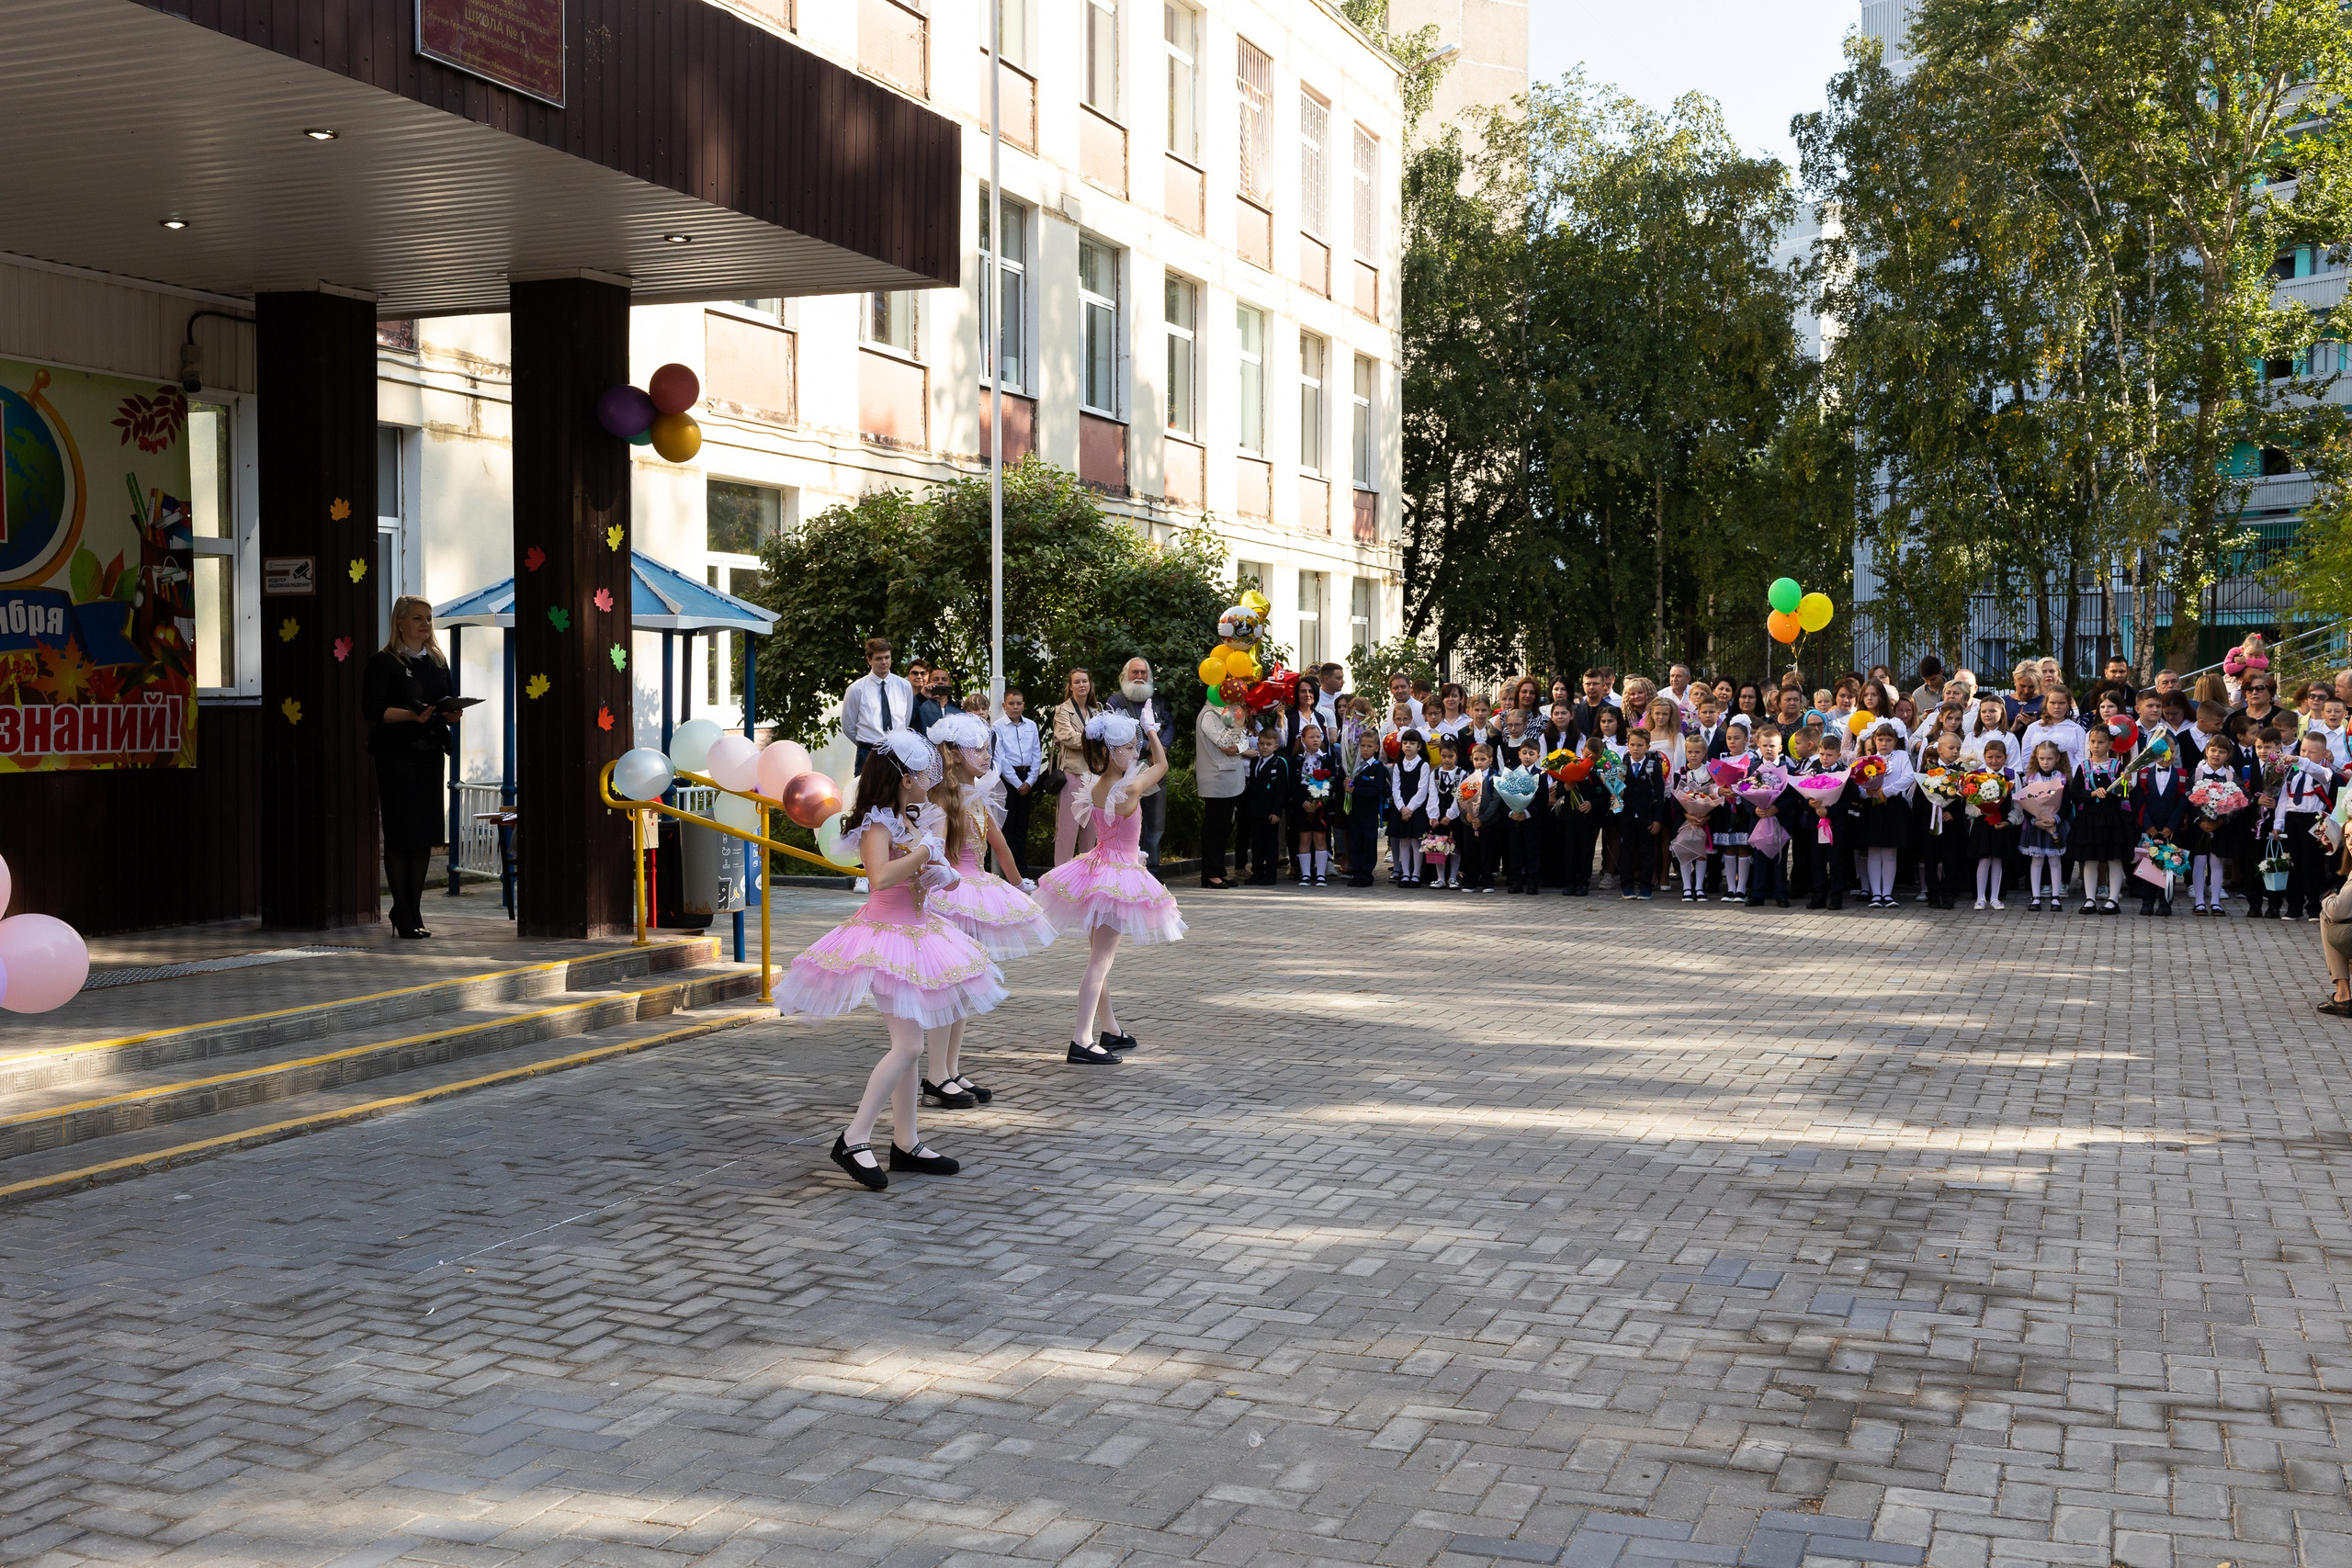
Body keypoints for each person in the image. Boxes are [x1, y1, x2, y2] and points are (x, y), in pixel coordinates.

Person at [776, 731, 1001, 1191]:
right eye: (921, 773)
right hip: (885, 938)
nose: (928, 779)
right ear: (903, 779)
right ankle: (854, 1138)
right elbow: (879, 879)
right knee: (910, 1046)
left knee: (913, 1039)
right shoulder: (879, 823)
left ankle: (906, 1142)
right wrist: (926, 852)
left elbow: (922, 874)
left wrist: (941, 875)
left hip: (918, 934)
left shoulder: (910, 818)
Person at [918, 714, 1057, 1109]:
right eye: (976, 749)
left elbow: (999, 845)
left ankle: (949, 1069)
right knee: (951, 986)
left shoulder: (977, 798)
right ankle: (935, 1076)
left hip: (976, 889)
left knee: (965, 987)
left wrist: (1018, 883)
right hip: (953, 896)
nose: (985, 755)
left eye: (986, 748)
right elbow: (934, 854)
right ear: (955, 755)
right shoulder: (942, 802)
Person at [1035, 711, 1185, 1065]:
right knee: (1100, 961)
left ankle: (1110, 1029)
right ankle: (1081, 1040)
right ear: (1113, 751)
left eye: (1135, 747)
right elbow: (1161, 764)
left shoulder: (1096, 783)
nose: (1135, 754)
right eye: (1129, 748)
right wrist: (1150, 728)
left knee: (1098, 958)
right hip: (1117, 875)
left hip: (1098, 869)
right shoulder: (1128, 788)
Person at [364, 596, 462, 941]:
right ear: (400, 623)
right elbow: (374, 710)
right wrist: (411, 715)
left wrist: (451, 714)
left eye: (429, 619)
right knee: (401, 834)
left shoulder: (436, 661)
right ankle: (402, 909)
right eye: (418, 618)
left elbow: (446, 702)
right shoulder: (384, 662)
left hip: (429, 754)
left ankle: (414, 909)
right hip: (396, 756)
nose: (425, 624)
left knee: (425, 835)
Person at [1105, 658, 1174, 868]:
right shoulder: (1115, 701)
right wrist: (1148, 747)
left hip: (1156, 768)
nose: (1139, 677)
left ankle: (1151, 871)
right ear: (1126, 676)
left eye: (1143, 673)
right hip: (1129, 772)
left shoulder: (1158, 699)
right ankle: (1131, 869)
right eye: (1135, 673)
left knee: (1155, 823)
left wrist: (1161, 747)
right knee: (1131, 822)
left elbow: (1170, 725)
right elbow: (1115, 731)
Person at [1195, 692, 1250, 888]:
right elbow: (1226, 744)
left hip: (1229, 778)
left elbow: (1244, 741)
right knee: (1215, 827)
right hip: (1216, 780)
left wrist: (1239, 747)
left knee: (1225, 826)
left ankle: (1218, 870)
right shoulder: (1209, 714)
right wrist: (1238, 742)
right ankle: (1209, 874)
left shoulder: (1224, 712)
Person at [842, 637, 914, 773]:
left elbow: (905, 719)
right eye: (879, 658)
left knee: (898, 792)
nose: (884, 662)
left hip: (897, 751)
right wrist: (867, 742)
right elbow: (848, 726)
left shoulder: (904, 686)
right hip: (869, 751)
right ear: (869, 660)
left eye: (887, 657)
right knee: (867, 792)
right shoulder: (856, 689)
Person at [991, 689, 1042, 882]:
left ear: (1023, 704)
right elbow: (1001, 757)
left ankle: (1021, 869)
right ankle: (1007, 871)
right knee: (1008, 825)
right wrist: (1017, 782)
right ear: (1004, 705)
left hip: (1027, 776)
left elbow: (1037, 754)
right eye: (1011, 703)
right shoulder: (998, 727)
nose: (1015, 707)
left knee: (1022, 825)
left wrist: (1029, 781)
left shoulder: (1031, 725)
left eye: (1019, 703)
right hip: (1009, 778)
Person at [2015, 739, 2071, 911]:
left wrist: (2055, 819)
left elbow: (2067, 804)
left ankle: (2055, 896)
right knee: (2037, 860)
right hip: (2036, 826)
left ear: (2057, 758)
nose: (2046, 762)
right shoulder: (2031, 779)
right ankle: (2036, 896)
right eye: (2042, 758)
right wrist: (2035, 820)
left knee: (2055, 860)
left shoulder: (2061, 779)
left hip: (2055, 824)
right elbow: (2025, 803)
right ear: (2036, 758)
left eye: (2049, 758)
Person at [1049, 668, 1099, 865]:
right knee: (1067, 830)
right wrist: (1094, 740)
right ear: (1070, 686)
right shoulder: (1062, 710)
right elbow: (1067, 737)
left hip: (1094, 776)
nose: (1081, 685)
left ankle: (1087, 878)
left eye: (1085, 681)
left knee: (1091, 831)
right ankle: (1060, 881)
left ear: (1090, 684)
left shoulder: (1097, 711)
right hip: (1072, 774)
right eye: (1077, 682)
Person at [1970, 737, 2018, 910]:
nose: (1994, 761)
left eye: (1998, 757)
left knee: (1998, 860)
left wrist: (2010, 821)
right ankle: (1980, 898)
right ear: (1984, 756)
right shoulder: (1977, 775)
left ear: (2005, 757)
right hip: (1983, 824)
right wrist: (1981, 811)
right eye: (1990, 757)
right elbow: (1969, 803)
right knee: (1984, 860)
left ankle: (1995, 897)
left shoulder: (2012, 775)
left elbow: (2018, 802)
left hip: (2002, 824)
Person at [1388, 728, 1438, 886]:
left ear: (1419, 746)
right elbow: (1395, 789)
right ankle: (1405, 874)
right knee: (1404, 841)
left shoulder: (1423, 765)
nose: (1408, 746)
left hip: (1416, 808)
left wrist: (1410, 809)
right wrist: (1402, 807)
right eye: (1405, 743)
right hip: (1401, 807)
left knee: (1416, 842)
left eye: (1412, 743)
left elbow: (1422, 790)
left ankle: (1416, 874)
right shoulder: (1398, 766)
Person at [1293, 723, 1340, 886]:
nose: (1315, 740)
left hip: (1322, 802)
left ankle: (1321, 874)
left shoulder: (1326, 758)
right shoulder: (1298, 760)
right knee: (1304, 838)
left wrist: (1320, 800)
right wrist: (1304, 803)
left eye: (1318, 737)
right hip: (1303, 803)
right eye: (1311, 737)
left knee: (1320, 837)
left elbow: (1332, 780)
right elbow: (1293, 785)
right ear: (1303, 740)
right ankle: (1306, 874)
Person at [1242, 726, 1289, 886]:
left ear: (1275, 746)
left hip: (1270, 812)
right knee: (1256, 844)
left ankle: (1270, 874)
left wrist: (1277, 811)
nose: (1264, 747)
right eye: (1262, 744)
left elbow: (1281, 790)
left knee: (1270, 844)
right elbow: (1252, 785)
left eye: (1268, 744)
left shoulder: (1279, 762)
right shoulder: (1255, 761)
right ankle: (1257, 872)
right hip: (1255, 810)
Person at [1345, 732, 1389, 887]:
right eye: (1363, 746)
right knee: (1355, 841)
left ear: (1376, 748)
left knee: (1369, 842)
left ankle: (1366, 873)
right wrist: (1345, 783)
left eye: (1369, 746)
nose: (1365, 749)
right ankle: (1356, 872)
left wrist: (1355, 790)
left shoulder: (1378, 768)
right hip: (1354, 811)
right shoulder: (1353, 767)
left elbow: (1376, 790)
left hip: (1369, 813)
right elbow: (1344, 784)